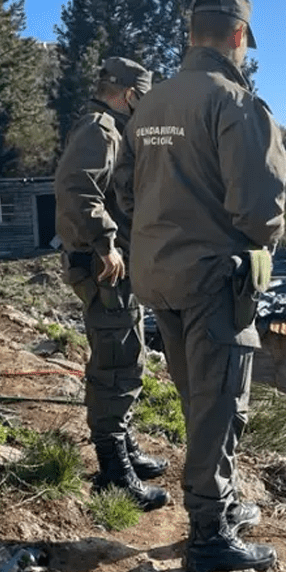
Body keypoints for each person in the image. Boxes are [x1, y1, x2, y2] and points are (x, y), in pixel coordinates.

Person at [117, 0, 286, 572]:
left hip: (159, 275)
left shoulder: (150, 107)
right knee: (220, 405)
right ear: (239, 36)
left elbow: (125, 194)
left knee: (197, 397)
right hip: (215, 278)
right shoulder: (235, 104)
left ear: (191, 34)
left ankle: (224, 504)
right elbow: (259, 211)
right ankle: (210, 534)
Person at [53, 57, 168, 512]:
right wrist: (105, 244)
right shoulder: (100, 130)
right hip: (104, 267)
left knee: (126, 355)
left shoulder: (106, 128)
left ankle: (126, 448)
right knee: (116, 362)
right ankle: (114, 474)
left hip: (111, 266)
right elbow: (77, 189)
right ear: (130, 95)